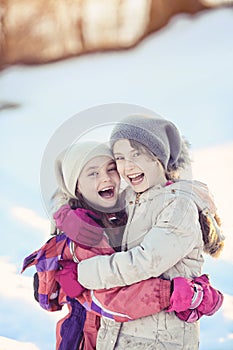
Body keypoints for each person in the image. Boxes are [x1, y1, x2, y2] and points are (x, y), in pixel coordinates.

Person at [22, 139, 223, 350]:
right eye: (93, 173)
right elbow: (111, 297)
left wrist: (189, 192)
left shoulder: (116, 214)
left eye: (111, 169)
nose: (107, 178)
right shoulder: (82, 229)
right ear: (76, 186)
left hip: (107, 333)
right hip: (85, 335)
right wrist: (177, 293)